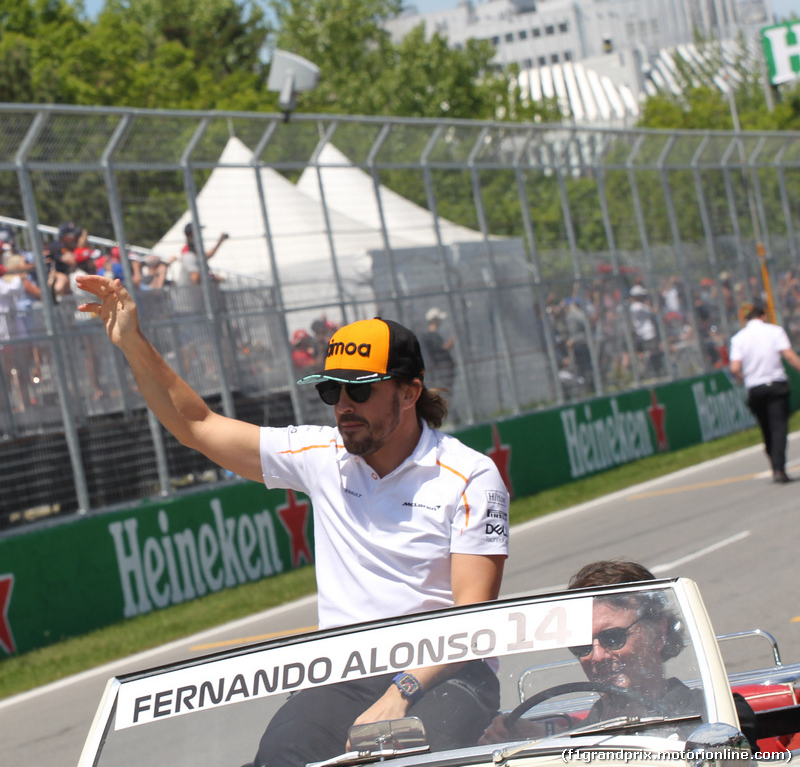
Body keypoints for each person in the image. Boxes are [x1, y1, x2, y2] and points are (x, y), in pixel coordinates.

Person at [76, 274, 509, 765]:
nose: (344, 406)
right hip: (346, 672)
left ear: (409, 394)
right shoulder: (320, 454)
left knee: (401, 758)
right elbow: (197, 425)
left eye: (360, 391)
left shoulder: (470, 475)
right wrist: (132, 342)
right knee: (280, 756)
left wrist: (401, 692)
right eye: (332, 391)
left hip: (447, 672)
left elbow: (471, 618)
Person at [481, 561, 755, 746]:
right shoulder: (584, 731)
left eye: (613, 638)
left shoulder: (718, 713)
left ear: (658, 633)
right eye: (581, 646)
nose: (596, 656)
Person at [729, 303, 800, 483]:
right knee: (779, 427)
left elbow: (735, 368)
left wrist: (744, 379)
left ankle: (774, 464)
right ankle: (779, 468)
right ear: (763, 316)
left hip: (755, 388)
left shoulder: (738, 338)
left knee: (766, 428)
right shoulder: (775, 331)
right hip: (776, 384)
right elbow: (790, 356)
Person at [421, 308, 456, 401]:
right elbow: (445, 347)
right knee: (446, 391)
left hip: (442, 367)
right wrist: (453, 338)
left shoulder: (433, 335)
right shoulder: (431, 336)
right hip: (443, 367)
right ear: (434, 320)